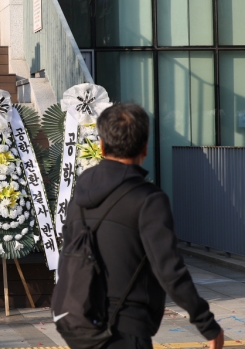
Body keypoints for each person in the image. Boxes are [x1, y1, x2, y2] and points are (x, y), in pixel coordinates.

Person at [61, 103, 224, 349]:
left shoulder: (80, 194)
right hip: (126, 328)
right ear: (145, 148)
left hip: (81, 324)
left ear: (102, 146)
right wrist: (207, 324)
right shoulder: (149, 200)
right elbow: (169, 270)